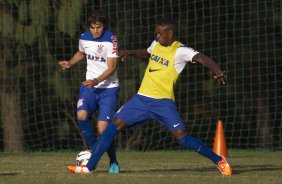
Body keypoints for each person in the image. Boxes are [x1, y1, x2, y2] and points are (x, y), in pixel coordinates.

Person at [68, 17, 232, 176]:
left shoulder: (181, 51)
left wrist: (217, 71)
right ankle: (89, 167)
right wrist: (129, 52)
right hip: (141, 99)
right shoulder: (156, 45)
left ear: (171, 34)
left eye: (161, 34)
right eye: (156, 33)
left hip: (163, 103)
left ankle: (219, 160)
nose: (157, 36)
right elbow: (146, 53)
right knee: (112, 126)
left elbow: (202, 58)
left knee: (182, 139)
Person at [58, 10, 120, 174]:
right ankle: (94, 152)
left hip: (108, 89)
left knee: (102, 128)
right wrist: (70, 63)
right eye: (92, 27)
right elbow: (81, 52)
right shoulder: (84, 37)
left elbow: (112, 67)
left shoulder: (111, 39)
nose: (95, 30)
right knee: (81, 116)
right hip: (89, 88)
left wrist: (96, 81)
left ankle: (113, 162)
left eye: (98, 27)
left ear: (104, 26)